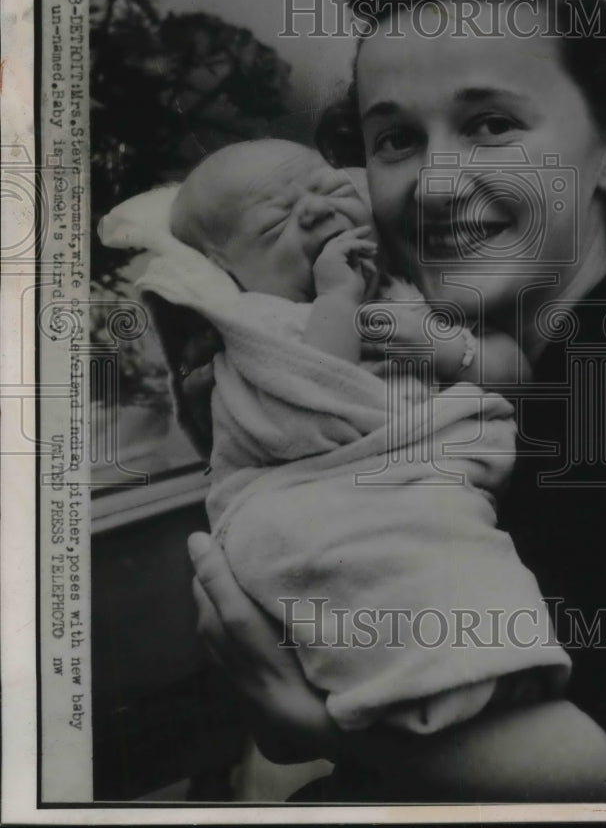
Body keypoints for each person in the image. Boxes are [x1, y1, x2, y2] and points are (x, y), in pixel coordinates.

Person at [186, 0, 606, 801]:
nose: (433, 183)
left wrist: (318, 726)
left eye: (492, 124)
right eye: (396, 140)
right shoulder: (387, 377)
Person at [100, 137, 571, 737]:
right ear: (226, 268)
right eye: (275, 224)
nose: (318, 212)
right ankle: (426, 681)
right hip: (329, 483)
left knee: (456, 551)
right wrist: (336, 302)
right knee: (327, 547)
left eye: (328, 189)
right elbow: (321, 395)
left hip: (436, 467)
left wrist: (443, 345)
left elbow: (514, 372)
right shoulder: (260, 327)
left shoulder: (412, 284)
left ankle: (486, 668)